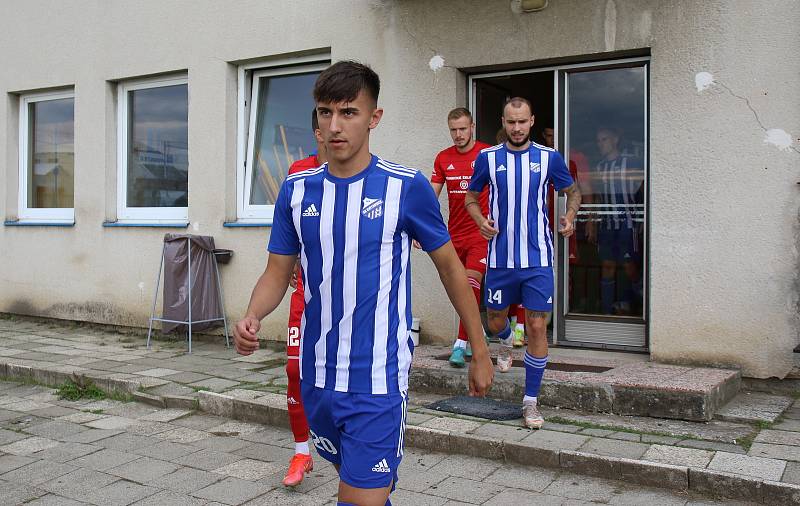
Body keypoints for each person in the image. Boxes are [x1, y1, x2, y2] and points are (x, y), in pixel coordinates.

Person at [234, 61, 493, 506]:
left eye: (349, 113)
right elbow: (278, 271)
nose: (335, 125)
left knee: (356, 500)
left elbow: (451, 268)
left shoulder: (405, 187)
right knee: (363, 490)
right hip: (316, 378)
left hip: (377, 379)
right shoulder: (296, 191)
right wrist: (253, 315)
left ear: (374, 118)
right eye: (324, 112)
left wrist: (480, 348)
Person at [465, 97, 581, 430]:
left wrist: (570, 216)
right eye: (511, 122)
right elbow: (471, 197)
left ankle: (530, 402)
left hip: (538, 259)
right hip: (500, 259)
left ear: (532, 122)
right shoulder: (487, 158)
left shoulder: (549, 158)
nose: (517, 128)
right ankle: (504, 340)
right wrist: (479, 220)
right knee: (497, 321)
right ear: (504, 122)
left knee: (536, 326)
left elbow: (573, 191)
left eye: (522, 122)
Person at [282, 108, 326, 487]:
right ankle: (301, 453)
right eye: (326, 119)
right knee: (294, 370)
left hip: (347, 304)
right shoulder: (298, 174)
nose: (335, 127)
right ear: (316, 130)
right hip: (304, 295)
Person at [429, 108, 491, 367]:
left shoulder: (488, 154)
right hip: (454, 235)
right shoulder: (443, 158)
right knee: (460, 290)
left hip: (481, 233)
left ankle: (461, 342)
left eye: (463, 129)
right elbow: (431, 197)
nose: (458, 134)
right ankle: (477, 336)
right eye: (453, 130)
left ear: (472, 127)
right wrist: (422, 228)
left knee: (470, 284)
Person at [593, 127, 644, 316]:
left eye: (604, 139)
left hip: (627, 223)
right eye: (598, 141)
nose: (600, 144)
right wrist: (593, 221)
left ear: (615, 139)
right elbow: (598, 197)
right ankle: (606, 311)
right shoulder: (599, 167)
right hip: (607, 224)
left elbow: (643, 187)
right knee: (607, 265)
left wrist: (643, 217)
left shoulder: (630, 161)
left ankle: (641, 306)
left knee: (629, 266)